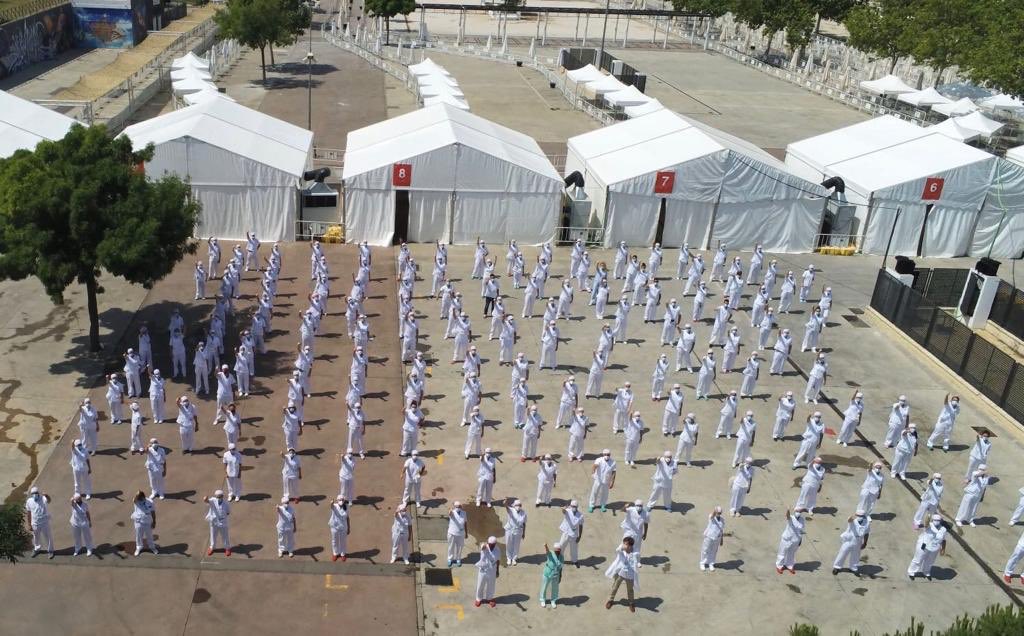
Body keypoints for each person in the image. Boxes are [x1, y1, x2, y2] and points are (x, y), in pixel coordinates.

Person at [605, 536, 639, 612]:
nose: (624, 545)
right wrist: (622, 548)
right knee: (615, 587)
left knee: (630, 590)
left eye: (626, 544)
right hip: (621, 573)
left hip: (630, 575)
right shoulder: (622, 549)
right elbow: (617, 551)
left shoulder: (635, 552)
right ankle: (610, 600)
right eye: (624, 544)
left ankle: (631, 603)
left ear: (630, 546)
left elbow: (637, 562)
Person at [908, 515, 947, 579]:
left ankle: (926, 572)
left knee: (930, 561)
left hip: (934, 547)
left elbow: (944, 539)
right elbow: (924, 525)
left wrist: (943, 549)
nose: (936, 522)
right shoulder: (929, 525)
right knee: (918, 558)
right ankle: (911, 572)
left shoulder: (943, 529)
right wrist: (926, 518)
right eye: (935, 520)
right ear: (932, 520)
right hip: (924, 545)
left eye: (938, 520)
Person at [832, 511, 871, 576]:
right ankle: (837, 567)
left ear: (863, 516)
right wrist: (853, 517)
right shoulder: (853, 520)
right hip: (849, 540)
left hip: (858, 541)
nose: (859, 517)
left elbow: (866, 533)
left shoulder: (867, 523)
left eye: (861, 516)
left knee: (856, 555)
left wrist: (865, 543)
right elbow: (849, 519)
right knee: (842, 553)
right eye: (858, 515)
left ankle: (853, 568)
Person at [25, 487, 54, 558]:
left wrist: (47, 495)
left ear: (38, 493)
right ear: (31, 494)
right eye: (33, 493)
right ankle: (37, 549)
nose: (34, 494)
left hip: (44, 522)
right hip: (35, 523)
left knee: (48, 537)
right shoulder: (29, 501)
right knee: (36, 537)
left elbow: (49, 501)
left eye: (36, 493)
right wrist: (29, 524)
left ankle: (50, 551)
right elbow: (28, 513)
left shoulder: (43, 498)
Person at [775, 508, 806, 574]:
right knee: (782, 552)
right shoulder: (791, 517)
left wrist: (800, 540)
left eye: (800, 511)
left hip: (796, 540)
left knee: (791, 553)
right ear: (794, 512)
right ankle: (779, 566)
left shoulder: (802, 520)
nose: (798, 512)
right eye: (797, 511)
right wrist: (788, 510)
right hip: (787, 539)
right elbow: (787, 516)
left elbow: (801, 530)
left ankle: (789, 565)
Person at [621, 500, 650, 566]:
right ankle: (624, 559)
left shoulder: (646, 514)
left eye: (640, 506)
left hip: (638, 533)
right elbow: (622, 510)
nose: (639, 507)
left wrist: (645, 533)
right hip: (629, 531)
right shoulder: (631, 510)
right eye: (637, 505)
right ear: (635, 506)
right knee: (626, 545)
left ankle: (637, 561)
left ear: (642, 506)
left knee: (637, 547)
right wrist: (625, 506)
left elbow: (646, 524)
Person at [474, 537, 501, 608]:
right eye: (490, 544)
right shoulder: (484, 546)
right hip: (483, 569)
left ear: (495, 544)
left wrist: (497, 571)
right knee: (480, 585)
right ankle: (478, 599)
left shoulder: (497, 550)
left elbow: (498, 560)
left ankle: (489, 598)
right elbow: (482, 546)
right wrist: (485, 545)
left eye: (493, 544)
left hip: (492, 570)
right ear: (488, 543)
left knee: (491, 585)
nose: (491, 546)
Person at [204, 490, 231, 556]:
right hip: (214, 522)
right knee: (213, 535)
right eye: (217, 497)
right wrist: (205, 499)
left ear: (222, 496)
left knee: (225, 536)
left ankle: (227, 548)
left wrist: (221, 517)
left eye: (220, 496)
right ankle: (212, 547)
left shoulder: (226, 503)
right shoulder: (213, 500)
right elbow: (207, 501)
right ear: (215, 496)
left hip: (223, 523)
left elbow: (228, 512)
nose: (219, 498)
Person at [131, 490, 158, 556]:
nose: (139, 499)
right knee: (139, 536)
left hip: (147, 521)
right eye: (138, 498)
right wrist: (137, 494)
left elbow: (153, 512)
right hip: (138, 521)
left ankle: (152, 547)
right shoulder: (136, 500)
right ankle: (139, 547)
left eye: (141, 498)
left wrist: (154, 521)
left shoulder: (150, 502)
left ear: (144, 497)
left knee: (149, 536)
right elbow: (135, 498)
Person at [700, 506, 725, 572]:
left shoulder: (722, 520)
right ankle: (702, 563)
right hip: (709, 536)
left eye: (720, 513)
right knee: (705, 550)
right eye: (718, 512)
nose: (719, 514)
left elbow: (721, 530)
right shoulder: (712, 516)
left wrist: (721, 540)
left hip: (717, 538)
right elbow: (712, 516)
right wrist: (714, 511)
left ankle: (711, 563)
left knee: (714, 551)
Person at [539, 542, 564, 608]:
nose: (557, 552)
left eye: (558, 551)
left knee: (555, 588)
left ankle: (553, 600)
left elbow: (561, 567)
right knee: (544, 587)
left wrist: (560, 576)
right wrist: (546, 546)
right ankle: (542, 600)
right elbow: (547, 551)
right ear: (554, 550)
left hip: (556, 575)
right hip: (547, 573)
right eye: (556, 551)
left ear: (560, 550)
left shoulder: (561, 557)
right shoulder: (551, 554)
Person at [503, 499, 527, 565]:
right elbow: (506, 506)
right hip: (510, 529)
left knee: (516, 545)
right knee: (508, 543)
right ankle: (509, 558)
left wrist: (524, 533)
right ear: (514, 505)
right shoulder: (511, 510)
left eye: (519, 505)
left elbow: (524, 523)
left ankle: (514, 558)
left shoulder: (524, 513)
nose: (518, 506)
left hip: (518, 530)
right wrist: (505, 503)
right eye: (516, 505)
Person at [329, 496, 350, 562]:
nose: (341, 503)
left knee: (343, 541)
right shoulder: (334, 506)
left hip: (343, 527)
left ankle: (343, 554)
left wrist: (349, 528)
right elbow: (331, 506)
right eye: (339, 501)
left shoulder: (346, 507)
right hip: (334, 527)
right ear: (337, 501)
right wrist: (331, 503)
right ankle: (335, 553)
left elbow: (347, 518)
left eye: (342, 501)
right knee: (334, 541)